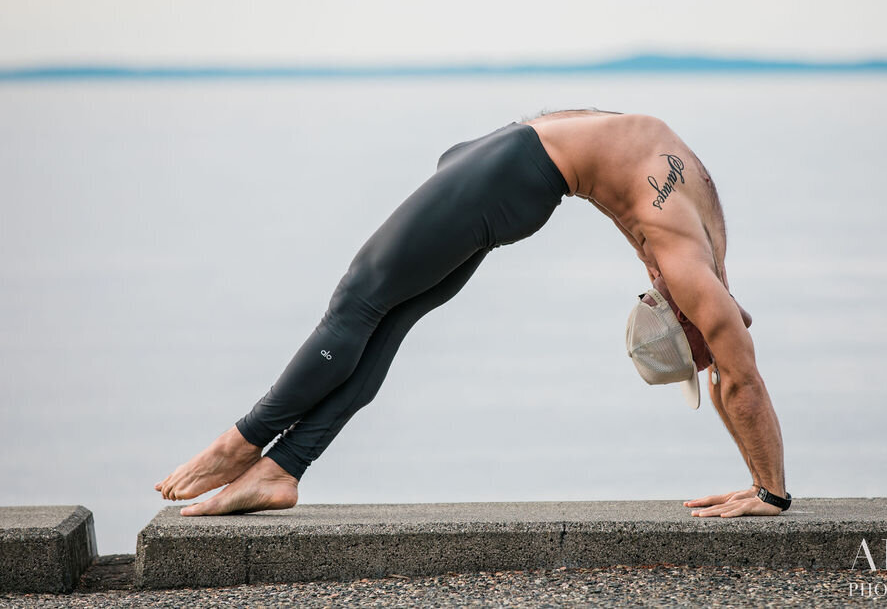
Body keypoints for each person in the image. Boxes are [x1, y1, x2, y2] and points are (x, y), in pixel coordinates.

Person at [155, 109, 788, 518]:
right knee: (386, 314)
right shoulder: (702, 275)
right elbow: (737, 375)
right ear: (704, 321)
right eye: (700, 352)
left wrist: (767, 493)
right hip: (511, 169)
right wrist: (768, 489)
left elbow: (737, 378)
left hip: (514, 172)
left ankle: (236, 445)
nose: (706, 360)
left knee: (359, 302)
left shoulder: (698, 266)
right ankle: (279, 467)